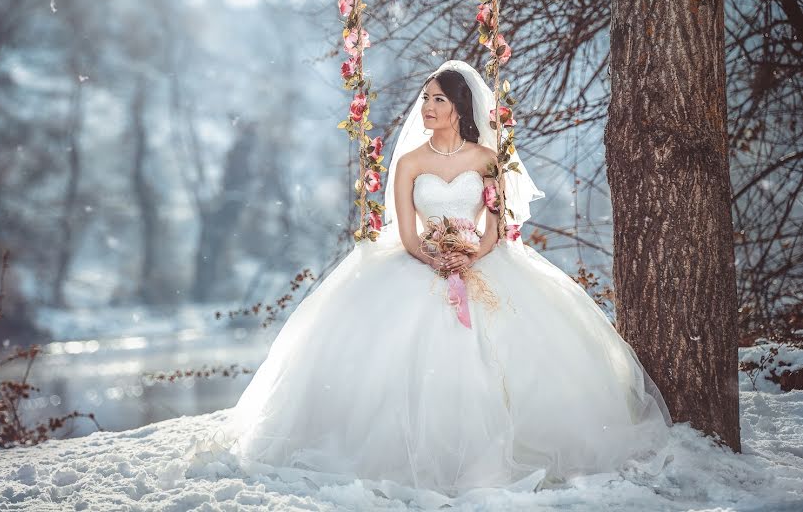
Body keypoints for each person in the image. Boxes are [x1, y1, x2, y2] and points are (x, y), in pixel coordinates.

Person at [183, 60, 672, 501]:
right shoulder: (411, 162)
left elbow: (496, 227)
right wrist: (435, 258)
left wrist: (471, 256)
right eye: (425, 98)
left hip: (481, 262)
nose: (429, 107)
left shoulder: (486, 160)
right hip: (422, 261)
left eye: (439, 99)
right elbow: (406, 231)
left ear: (460, 107)